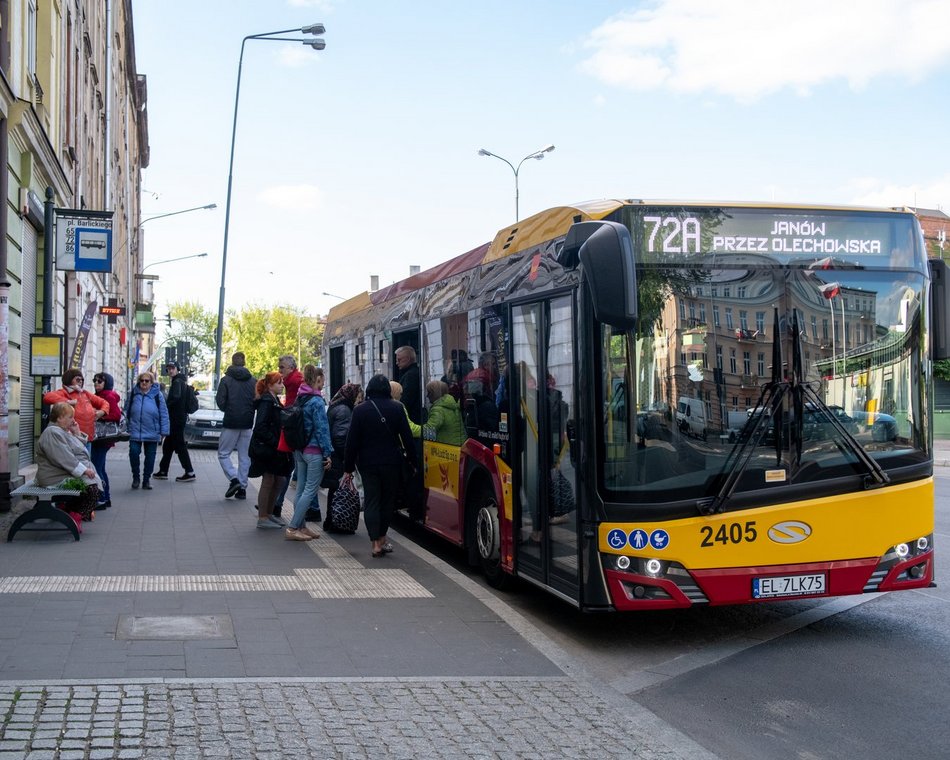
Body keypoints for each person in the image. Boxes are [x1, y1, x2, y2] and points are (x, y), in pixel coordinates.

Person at [342, 374, 417, 558]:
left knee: (372, 500)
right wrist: (413, 462)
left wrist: (348, 468)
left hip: (367, 463)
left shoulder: (360, 410)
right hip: (391, 463)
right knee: (387, 502)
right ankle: (382, 538)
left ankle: (374, 543)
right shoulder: (397, 408)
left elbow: (351, 442)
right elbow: (407, 439)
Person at [287, 365, 332, 541]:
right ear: (317, 380)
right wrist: (327, 452)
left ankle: (301, 526)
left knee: (301, 489)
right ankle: (292, 528)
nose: (323, 385)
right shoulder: (317, 402)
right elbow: (322, 429)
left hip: (299, 450)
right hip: (314, 451)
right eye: (322, 381)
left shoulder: (300, 398)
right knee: (310, 491)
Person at [36, 402, 102, 520]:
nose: (73, 420)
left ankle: (70, 512)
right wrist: (84, 470)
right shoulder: (52, 432)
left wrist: (76, 432)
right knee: (92, 490)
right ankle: (74, 516)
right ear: (60, 417)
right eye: (70, 417)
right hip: (54, 476)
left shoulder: (61, 430)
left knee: (93, 487)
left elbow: (78, 450)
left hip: (61, 473)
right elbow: (65, 457)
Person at [248, 371, 293, 530]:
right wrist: (275, 442)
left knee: (278, 480)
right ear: (270, 385)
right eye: (279, 383)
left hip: (272, 448)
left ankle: (269, 513)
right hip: (268, 448)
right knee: (269, 480)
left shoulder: (272, 400)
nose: (282, 385)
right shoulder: (267, 401)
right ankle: (263, 517)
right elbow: (261, 427)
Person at [216, 351, 256, 501]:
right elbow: (256, 400)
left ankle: (234, 479)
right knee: (245, 456)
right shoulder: (253, 381)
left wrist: (229, 408)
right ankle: (242, 489)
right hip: (247, 423)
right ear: (244, 362)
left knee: (223, 453)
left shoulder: (226, 380)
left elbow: (220, 401)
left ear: (232, 362)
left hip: (231, 422)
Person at [321, 382, 361, 533]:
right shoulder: (345, 410)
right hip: (338, 457)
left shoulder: (336, 405)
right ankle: (337, 522)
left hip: (334, 455)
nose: (359, 400)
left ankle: (331, 521)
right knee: (338, 490)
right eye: (358, 396)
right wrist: (347, 458)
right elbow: (340, 437)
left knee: (335, 490)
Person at [43, 368, 110, 445]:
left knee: (86, 456)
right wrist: (67, 401)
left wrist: (102, 411)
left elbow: (104, 403)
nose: (81, 381)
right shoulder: (64, 392)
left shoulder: (85, 393)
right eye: (78, 379)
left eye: (82, 380)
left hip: (88, 438)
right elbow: (47, 397)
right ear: (69, 380)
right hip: (72, 438)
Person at [154, 362, 196, 482]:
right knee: (168, 445)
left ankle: (189, 471)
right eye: (168, 369)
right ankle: (163, 471)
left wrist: (166, 406)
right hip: (178, 418)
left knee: (180, 445)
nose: (170, 371)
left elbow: (176, 397)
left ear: (177, 369)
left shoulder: (177, 382)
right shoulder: (180, 381)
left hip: (176, 418)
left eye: (172, 368)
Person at [273, 354, 304, 517]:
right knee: (291, 468)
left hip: (293, 428)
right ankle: (277, 503)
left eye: (282, 367)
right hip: (292, 426)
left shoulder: (294, 380)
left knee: (290, 468)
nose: (280, 371)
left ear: (291, 368)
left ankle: (277, 503)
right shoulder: (294, 379)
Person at [126, 372, 169, 490]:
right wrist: (126, 426)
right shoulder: (133, 393)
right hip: (135, 430)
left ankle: (146, 480)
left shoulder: (157, 395)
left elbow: (164, 413)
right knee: (133, 453)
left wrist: (164, 431)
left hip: (152, 431)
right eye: (142, 380)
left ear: (151, 383)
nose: (144, 383)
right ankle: (136, 477)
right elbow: (127, 410)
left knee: (150, 457)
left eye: (147, 381)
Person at [90, 372, 121, 510]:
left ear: (106, 383)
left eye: (100, 381)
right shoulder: (100, 395)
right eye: (95, 380)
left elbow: (116, 415)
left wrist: (99, 417)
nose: (96, 383)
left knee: (97, 468)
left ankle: (102, 499)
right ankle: (106, 498)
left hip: (103, 438)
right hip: (99, 438)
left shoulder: (108, 396)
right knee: (100, 467)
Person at [423, 380, 465, 445]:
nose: (427, 396)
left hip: (446, 449)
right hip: (461, 445)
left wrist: (410, 427)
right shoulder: (453, 405)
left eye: (429, 393)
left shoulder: (438, 410)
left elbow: (428, 431)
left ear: (434, 393)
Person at [394, 346, 422, 424]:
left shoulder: (410, 376)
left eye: (399, 360)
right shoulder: (413, 373)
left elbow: (406, 399)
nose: (397, 363)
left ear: (408, 359)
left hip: (412, 419)